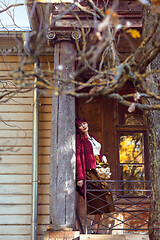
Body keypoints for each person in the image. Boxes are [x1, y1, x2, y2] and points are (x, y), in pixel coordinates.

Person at [76, 117, 115, 233]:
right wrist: (80, 177)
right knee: (99, 197)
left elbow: (98, 151)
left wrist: (102, 156)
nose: (83, 126)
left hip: (99, 169)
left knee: (106, 197)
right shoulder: (80, 140)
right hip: (90, 171)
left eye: (84, 123)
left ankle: (96, 227)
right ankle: (95, 228)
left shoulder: (93, 137)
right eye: (80, 125)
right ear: (78, 129)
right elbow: (78, 159)